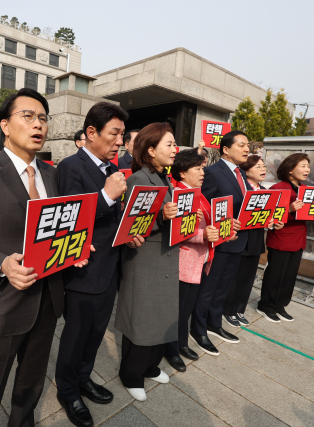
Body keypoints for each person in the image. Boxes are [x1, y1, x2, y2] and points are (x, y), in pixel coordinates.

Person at [0, 88, 88, 427]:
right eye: (28, 116)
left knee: (31, 385)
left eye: (43, 118)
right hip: (2, 303)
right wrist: (2, 263)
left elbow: (53, 228)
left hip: (47, 300)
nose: (38, 124)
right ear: (5, 126)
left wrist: (73, 247)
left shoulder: (52, 174)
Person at [55, 102, 140, 427]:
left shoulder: (112, 169)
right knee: (76, 336)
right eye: (114, 134)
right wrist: (105, 197)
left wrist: (127, 234)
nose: (120, 142)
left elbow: (113, 219)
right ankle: (67, 390)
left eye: (122, 135)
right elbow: (69, 219)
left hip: (109, 269)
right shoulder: (71, 167)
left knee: (95, 334)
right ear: (91, 132)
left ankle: (83, 378)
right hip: (83, 271)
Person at [115, 123, 183, 402]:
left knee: (162, 316)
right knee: (142, 318)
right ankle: (131, 374)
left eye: (175, 144)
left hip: (165, 257)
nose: (175, 149)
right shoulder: (138, 179)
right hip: (145, 259)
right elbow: (133, 225)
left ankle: (150, 366)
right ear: (151, 150)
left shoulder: (165, 178)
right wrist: (161, 218)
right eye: (169, 144)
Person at [190, 130, 252, 356]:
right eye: (242, 145)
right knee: (208, 288)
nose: (247, 149)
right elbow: (203, 207)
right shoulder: (212, 173)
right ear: (226, 149)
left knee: (222, 288)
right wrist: (221, 227)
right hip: (218, 242)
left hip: (238, 240)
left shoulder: (241, 173)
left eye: (248, 145)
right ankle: (198, 329)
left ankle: (214, 323)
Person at [257, 153, 314, 322]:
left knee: (289, 275)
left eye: (308, 166)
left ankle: (280, 305)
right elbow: (269, 215)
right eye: (303, 166)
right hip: (281, 238)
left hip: (298, 239)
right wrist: (289, 209)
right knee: (275, 274)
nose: (307, 169)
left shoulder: (306, 190)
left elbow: (313, 215)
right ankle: (266, 306)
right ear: (290, 169)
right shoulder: (278, 188)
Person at [163, 148, 220, 374]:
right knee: (176, 311)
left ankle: (181, 343)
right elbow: (178, 230)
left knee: (186, 309)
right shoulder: (179, 194)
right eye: (197, 168)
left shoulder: (199, 194)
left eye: (202, 168)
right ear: (182, 173)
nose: (202, 173)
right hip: (184, 260)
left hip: (198, 259)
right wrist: (204, 235)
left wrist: (225, 230)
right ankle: (171, 350)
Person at [223, 155, 283, 327]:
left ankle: (239, 309)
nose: (263, 169)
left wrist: (271, 222)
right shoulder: (241, 189)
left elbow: (266, 216)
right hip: (240, 238)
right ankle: (228, 310)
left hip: (256, 240)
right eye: (258, 167)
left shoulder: (265, 191)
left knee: (248, 277)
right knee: (234, 277)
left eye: (263, 166)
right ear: (246, 171)